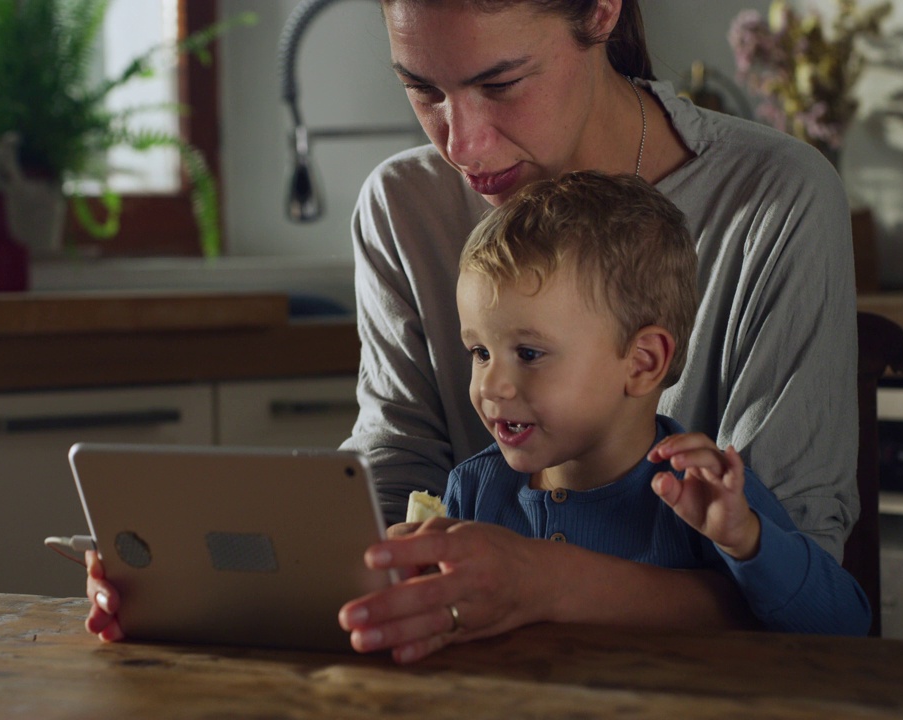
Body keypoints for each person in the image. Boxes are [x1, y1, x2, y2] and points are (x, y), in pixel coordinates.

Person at [86, 0, 858, 653]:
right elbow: (391, 484)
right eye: (422, 89)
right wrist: (207, 591)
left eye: (502, 83)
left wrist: (542, 580)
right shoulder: (401, 205)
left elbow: (799, 581)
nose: (462, 144)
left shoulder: (776, 199)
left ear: (599, 12)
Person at [340, 170, 870, 661]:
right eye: (479, 352)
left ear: (642, 363)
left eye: (528, 353)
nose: (491, 385)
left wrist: (749, 539)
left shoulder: (706, 495)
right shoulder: (472, 490)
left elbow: (845, 628)